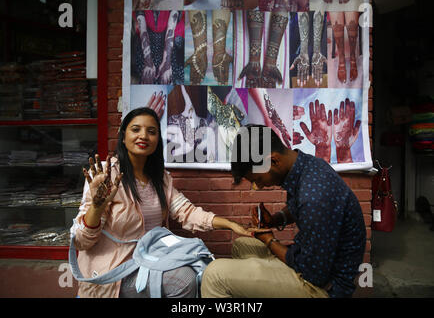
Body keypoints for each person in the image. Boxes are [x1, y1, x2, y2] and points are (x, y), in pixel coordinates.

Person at [70, 107, 266, 298]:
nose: (143, 136)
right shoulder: (106, 175)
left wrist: (230, 224)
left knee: (199, 267)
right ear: (123, 136)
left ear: (158, 140)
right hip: (115, 272)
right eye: (136, 129)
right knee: (184, 279)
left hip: (150, 260)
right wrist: (97, 206)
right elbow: (81, 241)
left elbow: (187, 212)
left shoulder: (160, 178)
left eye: (151, 131)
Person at [201, 124, 366, 298]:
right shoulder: (306, 166)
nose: (257, 186)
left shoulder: (315, 196)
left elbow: (314, 274)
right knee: (242, 246)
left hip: (322, 287)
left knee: (214, 275)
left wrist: (270, 241)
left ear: (273, 161)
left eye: (257, 178)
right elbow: (299, 208)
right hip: (312, 260)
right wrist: (274, 220)